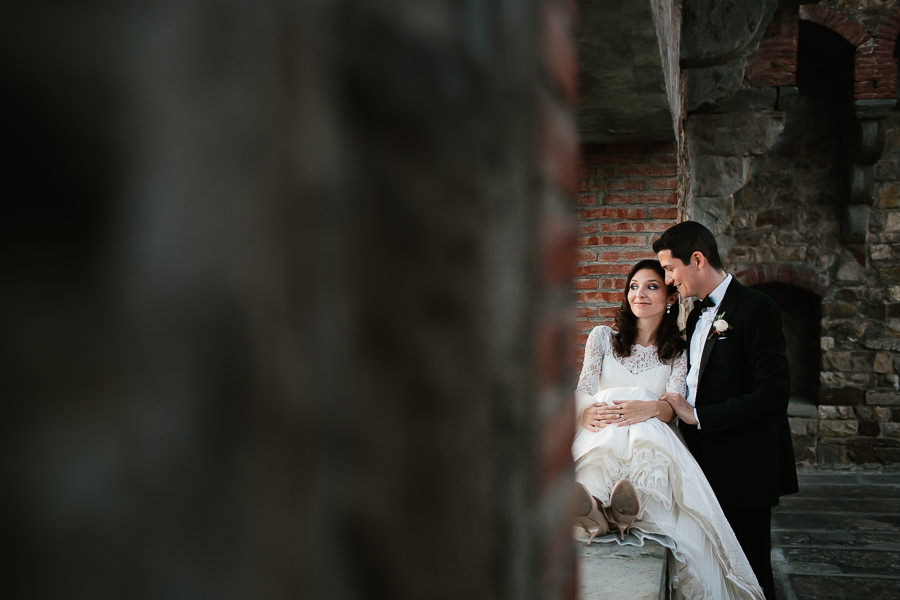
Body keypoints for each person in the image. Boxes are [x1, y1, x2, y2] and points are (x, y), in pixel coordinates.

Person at [573, 259, 764, 600]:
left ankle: (623, 507)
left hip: (651, 430)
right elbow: (585, 389)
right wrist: (584, 413)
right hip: (606, 428)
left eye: (651, 286)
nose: (640, 294)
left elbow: (673, 403)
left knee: (644, 422)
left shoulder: (677, 348)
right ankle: (598, 509)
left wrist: (650, 407)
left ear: (670, 297)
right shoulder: (602, 337)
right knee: (609, 412)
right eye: (634, 286)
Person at [653, 221, 798, 600]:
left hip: (745, 466)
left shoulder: (756, 308)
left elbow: (773, 394)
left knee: (749, 571)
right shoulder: (696, 313)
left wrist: (698, 415)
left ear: (697, 260)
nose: (668, 280)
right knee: (713, 568)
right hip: (702, 461)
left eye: (670, 269)